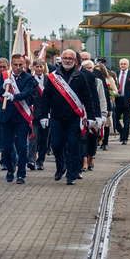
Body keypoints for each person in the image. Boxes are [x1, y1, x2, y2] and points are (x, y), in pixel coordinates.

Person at [38, 49, 95, 185]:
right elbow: (45, 98)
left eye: (70, 58)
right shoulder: (53, 77)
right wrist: (43, 115)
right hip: (57, 117)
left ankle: (71, 174)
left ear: (74, 60)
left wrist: (92, 117)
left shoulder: (80, 77)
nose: (68, 60)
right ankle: (60, 167)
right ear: (61, 59)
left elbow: (87, 98)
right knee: (56, 145)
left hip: (74, 118)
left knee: (73, 146)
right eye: (65, 58)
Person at [0, 54, 37, 184]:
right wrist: (2, 86)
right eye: (15, 65)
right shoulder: (5, 76)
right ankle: (10, 169)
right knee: (6, 148)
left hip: (21, 117)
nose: (18, 67)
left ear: (24, 65)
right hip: (6, 116)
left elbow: (27, 92)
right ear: (11, 65)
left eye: (20, 65)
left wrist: (14, 96)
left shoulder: (29, 78)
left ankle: (21, 174)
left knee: (22, 147)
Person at [81, 59, 107, 171]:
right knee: (83, 138)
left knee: (92, 138)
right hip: (83, 113)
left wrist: (103, 114)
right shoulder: (79, 80)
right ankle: (84, 160)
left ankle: (91, 156)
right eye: (85, 68)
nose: (87, 70)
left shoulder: (98, 82)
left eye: (89, 68)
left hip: (95, 113)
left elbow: (102, 98)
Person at [28, 59, 51, 170]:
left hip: (46, 113)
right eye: (36, 66)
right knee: (33, 137)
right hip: (34, 113)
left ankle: (40, 160)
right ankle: (31, 160)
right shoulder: (30, 79)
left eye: (41, 66)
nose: (39, 69)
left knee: (44, 139)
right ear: (33, 67)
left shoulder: (49, 79)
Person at [113, 58, 130, 145]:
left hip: (127, 100)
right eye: (121, 64)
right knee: (115, 119)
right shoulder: (115, 74)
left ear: (128, 65)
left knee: (126, 120)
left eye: (124, 64)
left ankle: (125, 138)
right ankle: (122, 131)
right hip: (117, 99)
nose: (123, 65)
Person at [95, 61, 116, 150]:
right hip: (96, 104)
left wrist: (111, 94)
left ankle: (105, 142)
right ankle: (97, 141)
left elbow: (112, 91)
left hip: (105, 104)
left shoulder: (107, 79)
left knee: (106, 124)